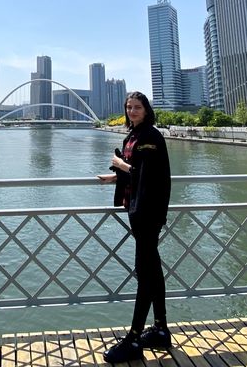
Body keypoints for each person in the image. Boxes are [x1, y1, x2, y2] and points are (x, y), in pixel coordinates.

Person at [97, 91, 172, 363]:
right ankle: (161, 329)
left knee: (145, 271)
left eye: (137, 107)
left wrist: (120, 164)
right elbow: (136, 169)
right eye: (128, 107)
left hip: (148, 211)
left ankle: (134, 338)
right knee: (152, 268)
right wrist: (114, 175)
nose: (132, 111)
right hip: (137, 209)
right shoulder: (134, 136)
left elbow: (148, 175)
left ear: (146, 109)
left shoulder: (150, 136)